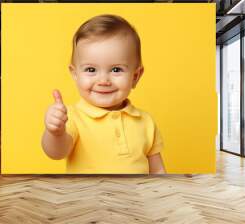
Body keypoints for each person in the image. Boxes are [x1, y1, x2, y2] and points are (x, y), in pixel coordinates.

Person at [41, 14, 166, 174]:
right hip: (87, 198)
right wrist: (55, 132)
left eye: (116, 69)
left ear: (135, 76)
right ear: (75, 74)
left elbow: (158, 171)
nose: (103, 80)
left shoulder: (145, 121)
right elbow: (56, 153)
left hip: (134, 198)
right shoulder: (72, 117)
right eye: (91, 70)